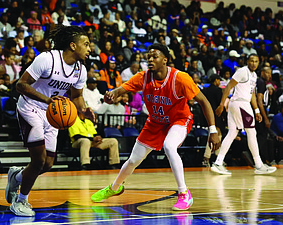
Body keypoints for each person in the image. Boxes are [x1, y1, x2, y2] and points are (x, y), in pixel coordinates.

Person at [91, 43, 220, 211]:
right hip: (155, 122)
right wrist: (111, 95)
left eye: (155, 57)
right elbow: (119, 90)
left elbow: (204, 101)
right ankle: (115, 188)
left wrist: (213, 130)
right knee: (133, 160)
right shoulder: (143, 77)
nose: (150, 59)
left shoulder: (180, 78)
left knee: (169, 146)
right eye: (148, 57)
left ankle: (184, 194)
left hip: (179, 120)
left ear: (165, 60)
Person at [5, 25, 94, 217]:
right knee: (38, 160)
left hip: (51, 114)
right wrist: (46, 100)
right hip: (30, 108)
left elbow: (77, 96)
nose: (89, 48)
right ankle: (21, 201)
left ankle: (17, 176)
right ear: (72, 45)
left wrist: (84, 110)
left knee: (48, 164)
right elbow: (21, 85)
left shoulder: (81, 70)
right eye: (85, 44)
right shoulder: (47, 59)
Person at [211, 54, 277, 175]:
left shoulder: (254, 75)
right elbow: (228, 86)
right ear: (247, 61)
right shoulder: (242, 71)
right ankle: (258, 165)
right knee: (252, 132)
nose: (254, 63)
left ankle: (218, 163)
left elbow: (252, 94)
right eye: (251, 61)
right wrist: (221, 104)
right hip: (240, 104)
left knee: (232, 133)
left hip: (239, 104)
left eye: (256, 61)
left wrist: (256, 110)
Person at [201, 74, 226, 167]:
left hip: (206, 116)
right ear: (216, 80)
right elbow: (221, 106)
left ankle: (218, 159)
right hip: (216, 116)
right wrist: (224, 116)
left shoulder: (204, 91)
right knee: (213, 136)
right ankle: (206, 158)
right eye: (219, 80)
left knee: (218, 136)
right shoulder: (218, 91)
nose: (219, 82)